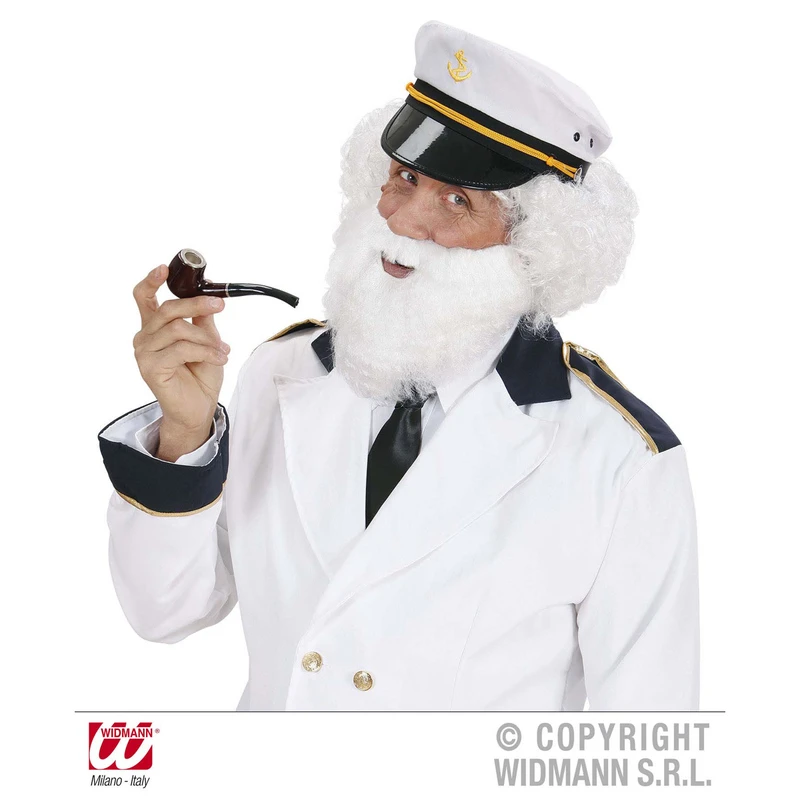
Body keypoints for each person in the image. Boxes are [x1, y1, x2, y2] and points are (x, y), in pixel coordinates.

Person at [98, 20, 699, 711]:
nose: (405, 220)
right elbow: (165, 613)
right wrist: (182, 436)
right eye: (405, 176)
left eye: (457, 200)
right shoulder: (280, 372)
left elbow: (646, 732)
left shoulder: (621, 459)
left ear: (536, 241)